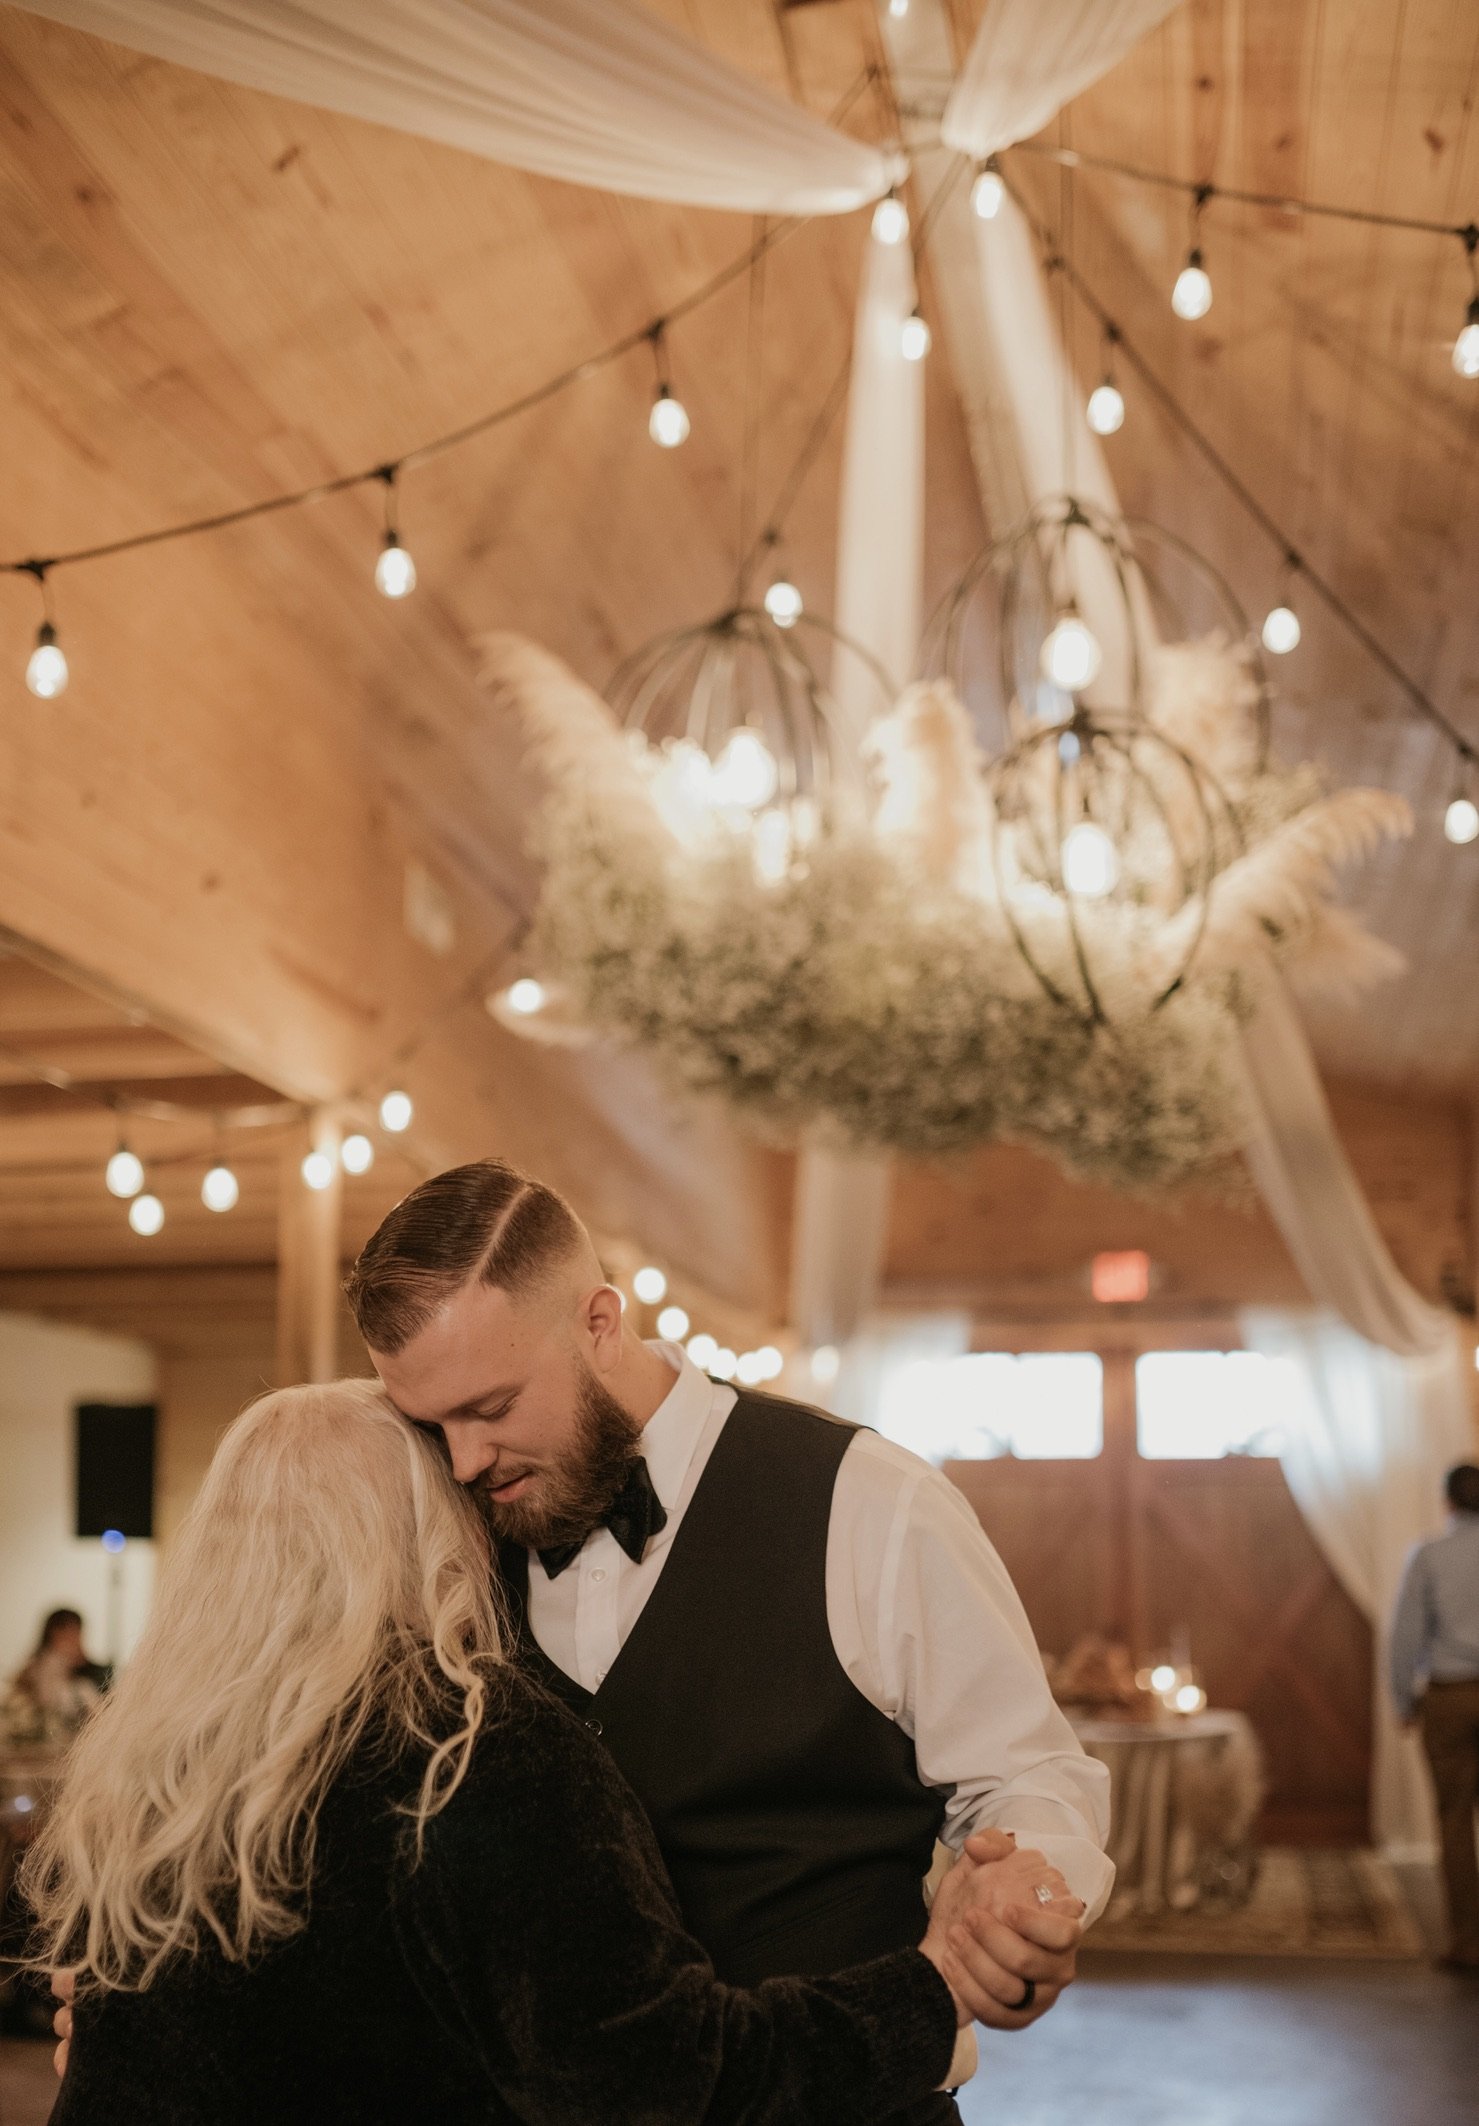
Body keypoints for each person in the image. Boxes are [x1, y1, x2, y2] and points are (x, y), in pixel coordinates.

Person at [32, 1379, 1077, 2123]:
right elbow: (663, 2084)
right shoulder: (467, 1753)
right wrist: (929, 1984)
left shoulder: (149, 1782)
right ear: (424, 1531)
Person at [348, 1158, 1113, 2122]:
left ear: (597, 1322)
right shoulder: (444, 1535)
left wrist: (1020, 1893)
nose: (463, 1460)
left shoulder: (868, 1501)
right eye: (431, 1424)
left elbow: (1028, 1774)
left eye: (491, 1408)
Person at [1390, 1460, 1479, 1974]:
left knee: (1455, 1819)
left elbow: (1406, 1636)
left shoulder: (1430, 1555)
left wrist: (1403, 1702)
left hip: (1450, 1698)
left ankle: (1468, 1942)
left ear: (1447, 1502)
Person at [2, 1612, 107, 1747]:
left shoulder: (80, 1679)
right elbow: (47, 1699)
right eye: (71, 1634)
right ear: (55, 1633)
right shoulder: (43, 1667)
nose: (76, 1640)